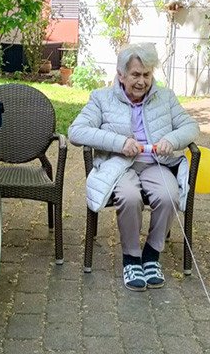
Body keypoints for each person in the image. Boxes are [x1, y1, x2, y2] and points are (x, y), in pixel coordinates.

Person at [68, 43, 200, 292]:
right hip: (119, 165)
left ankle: (151, 255)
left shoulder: (166, 97)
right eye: (135, 75)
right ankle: (131, 258)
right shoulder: (101, 97)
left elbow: (191, 127)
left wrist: (170, 141)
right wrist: (120, 143)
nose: (142, 82)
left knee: (168, 194)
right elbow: (76, 131)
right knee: (128, 197)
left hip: (156, 163)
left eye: (147, 75)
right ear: (121, 75)